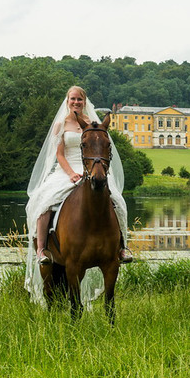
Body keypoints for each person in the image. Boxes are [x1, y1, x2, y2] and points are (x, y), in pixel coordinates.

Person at [25, 85, 132, 266]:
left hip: (91, 168)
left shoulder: (91, 123)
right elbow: (59, 155)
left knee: (118, 202)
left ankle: (122, 247)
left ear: (84, 102)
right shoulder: (61, 125)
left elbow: (98, 148)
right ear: (67, 101)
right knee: (43, 201)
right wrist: (71, 174)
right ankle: (42, 250)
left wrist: (92, 170)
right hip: (67, 169)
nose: (76, 102)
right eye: (73, 99)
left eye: (79, 99)